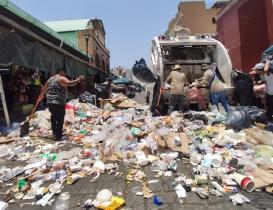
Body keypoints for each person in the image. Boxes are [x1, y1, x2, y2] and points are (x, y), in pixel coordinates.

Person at [38, 68, 85, 140]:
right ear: (60, 72)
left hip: (50, 102)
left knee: (53, 117)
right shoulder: (61, 78)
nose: (65, 74)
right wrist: (79, 79)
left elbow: (44, 89)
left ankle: (55, 133)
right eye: (64, 73)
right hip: (58, 102)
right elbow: (70, 83)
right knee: (60, 119)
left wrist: (41, 96)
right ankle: (58, 136)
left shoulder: (50, 79)